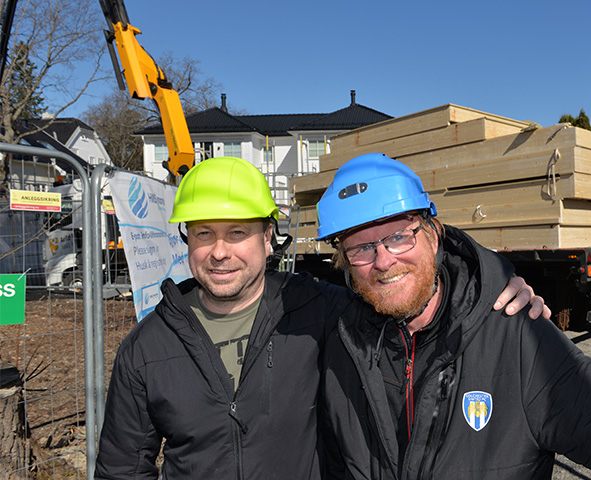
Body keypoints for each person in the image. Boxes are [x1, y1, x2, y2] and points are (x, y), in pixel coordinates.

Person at [94, 156, 548, 479]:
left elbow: (405, 287)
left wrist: (494, 282)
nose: (219, 251)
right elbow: (122, 470)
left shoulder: (320, 310)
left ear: (269, 238)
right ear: (186, 239)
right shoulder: (147, 348)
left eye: (237, 232)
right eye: (203, 233)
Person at [317, 153, 591, 479]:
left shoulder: (514, 336)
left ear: (434, 233)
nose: (384, 261)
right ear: (344, 260)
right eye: (361, 248)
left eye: (397, 236)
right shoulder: (340, 346)